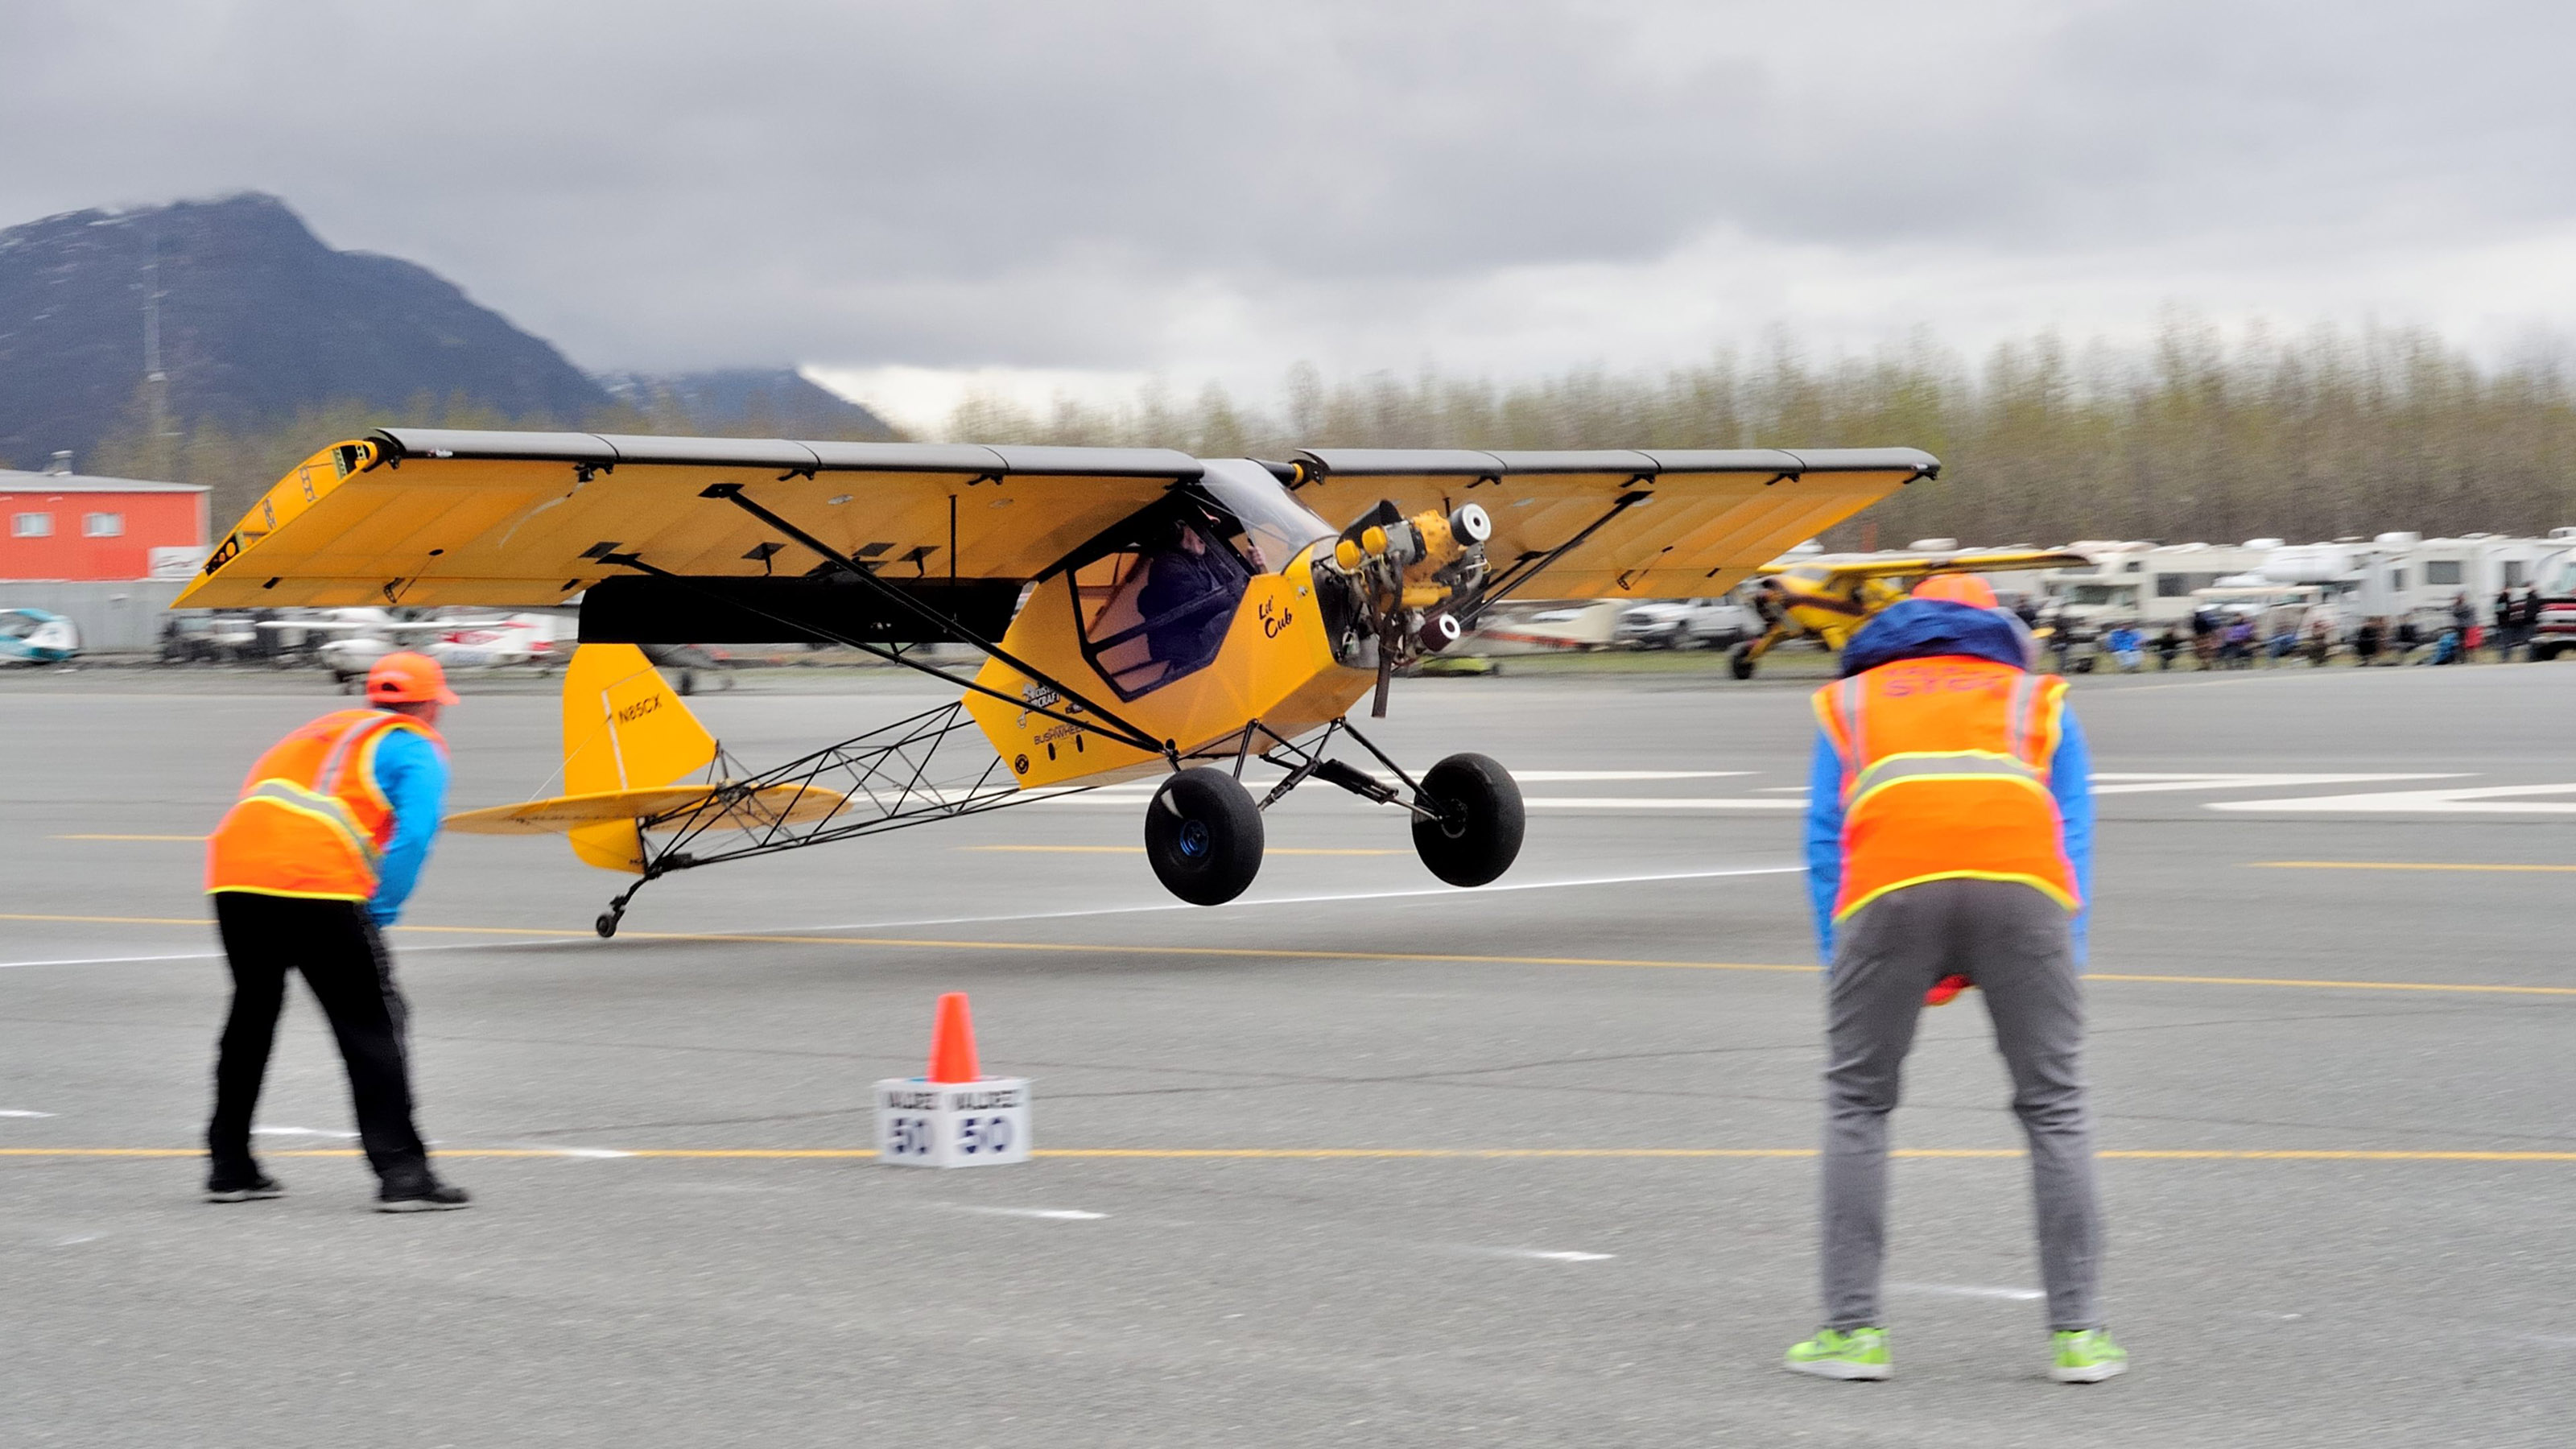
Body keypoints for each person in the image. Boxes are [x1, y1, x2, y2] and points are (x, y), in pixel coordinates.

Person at [1785, 573, 2124, 1385]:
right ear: (1993, 626)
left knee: (1858, 1102)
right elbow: (2069, 829)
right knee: (2055, 1105)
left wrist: (1852, 961)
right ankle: (2078, 1337)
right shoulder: (2037, 699)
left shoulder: (1853, 703)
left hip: (1888, 890)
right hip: (2023, 890)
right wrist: (2058, 951)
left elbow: (1824, 843)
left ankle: (1852, 1334)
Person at [201, 652, 469, 1211]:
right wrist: (384, 906)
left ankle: (230, 1168)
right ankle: (403, 1176)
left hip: (235, 878)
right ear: (426, 704)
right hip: (319, 887)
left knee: (252, 1015)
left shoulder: (315, 733)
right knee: (370, 1023)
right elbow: (416, 833)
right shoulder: (414, 743)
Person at [1136, 514, 1248, 675]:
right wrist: (1242, 595)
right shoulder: (1166, 565)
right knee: (1233, 617)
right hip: (1192, 644)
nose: (1207, 533)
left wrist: (1253, 567)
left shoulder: (1206, 558)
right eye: (1201, 527)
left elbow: (1235, 584)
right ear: (1179, 531)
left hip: (1210, 633)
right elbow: (1199, 606)